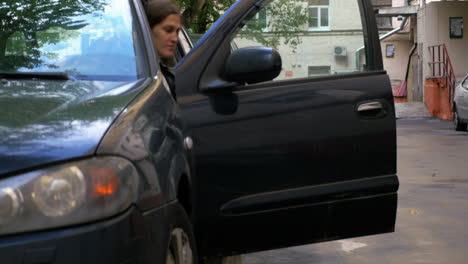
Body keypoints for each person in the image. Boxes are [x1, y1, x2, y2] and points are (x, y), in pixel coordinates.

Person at [144, 0, 182, 99]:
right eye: (168, 30)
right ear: (147, 30)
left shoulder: (169, 74)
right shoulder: (131, 73)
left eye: (177, 32)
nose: (175, 39)